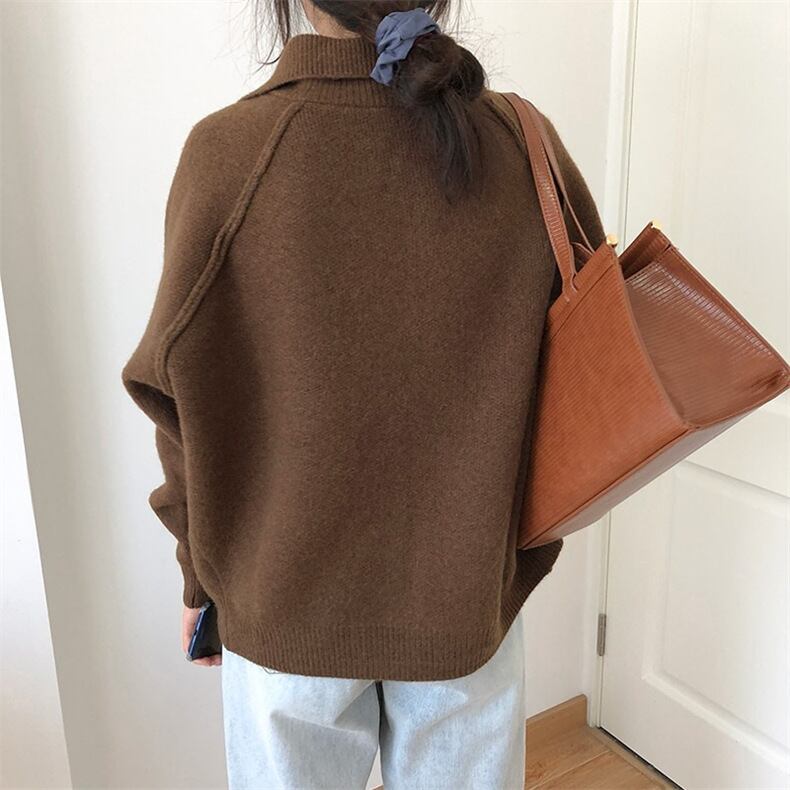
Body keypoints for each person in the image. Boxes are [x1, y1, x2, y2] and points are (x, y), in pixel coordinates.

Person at [122, 1, 605, 787]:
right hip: (465, 607)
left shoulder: (230, 153)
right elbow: (591, 363)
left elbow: (173, 389)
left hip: (283, 614)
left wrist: (196, 575)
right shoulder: (522, 144)